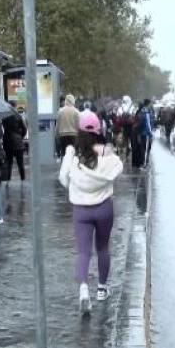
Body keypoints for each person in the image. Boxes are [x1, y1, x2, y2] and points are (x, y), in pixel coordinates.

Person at [59, 111, 123, 314]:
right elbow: (117, 169)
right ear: (99, 131)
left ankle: (84, 290)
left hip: (81, 210)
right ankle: (102, 289)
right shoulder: (107, 153)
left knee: (83, 251)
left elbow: (63, 179)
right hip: (104, 207)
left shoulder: (72, 154)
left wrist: (73, 184)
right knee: (103, 247)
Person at [2, 102, 28, 182]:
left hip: (8, 142)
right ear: (15, 106)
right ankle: (22, 179)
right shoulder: (18, 116)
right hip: (18, 142)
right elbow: (24, 129)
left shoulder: (4, 116)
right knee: (20, 163)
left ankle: (8, 180)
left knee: (9, 163)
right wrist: (20, 136)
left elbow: (3, 128)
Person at [55, 94, 80, 161]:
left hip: (63, 135)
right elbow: (78, 125)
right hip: (74, 135)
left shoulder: (60, 111)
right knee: (73, 154)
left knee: (64, 153)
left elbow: (58, 125)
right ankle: (73, 168)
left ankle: (64, 167)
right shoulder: (76, 111)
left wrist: (57, 135)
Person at [139, 99, 154, 167]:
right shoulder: (146, 112)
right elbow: (147, 124)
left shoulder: (143, 111)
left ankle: (144, 161)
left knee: (145, 147)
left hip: (143, 132)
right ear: (148, 104)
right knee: (146, 147)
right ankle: (144, 163)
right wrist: (150, 133)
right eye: (150, 103)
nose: (151, 105)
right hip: (146, 133)